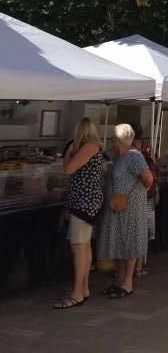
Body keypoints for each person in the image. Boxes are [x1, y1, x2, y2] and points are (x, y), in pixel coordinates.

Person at [97, 123, 153, 298]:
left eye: (113, 138)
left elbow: (148, 179)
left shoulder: (134, 156)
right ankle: (119, 280)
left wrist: (134, 193)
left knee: (130, 242)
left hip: (131, 208)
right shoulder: (117, 157)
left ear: (119, 139)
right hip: (117, 208)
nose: (112, 141)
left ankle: (127, 283)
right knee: (120, 242)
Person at [53, 118, 104, 309]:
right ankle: (83, 289)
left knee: (78, 247)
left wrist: (68, 151)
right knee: (85, 246)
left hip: (84, 203)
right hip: (86, 202)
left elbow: (68, 169)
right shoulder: (93, 147)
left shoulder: (89, 147)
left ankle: (77, 293)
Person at [132, 124, 158, 277]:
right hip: (149, 194)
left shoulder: (131, 151)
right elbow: (155, 163)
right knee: (144, 231)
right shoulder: (147, 146)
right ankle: (140, 266)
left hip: (139, 195)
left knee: (136, 231)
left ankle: (136, 266)